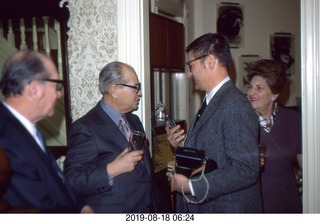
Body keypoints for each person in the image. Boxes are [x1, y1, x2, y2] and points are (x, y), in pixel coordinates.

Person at [165, 33, 262, 213]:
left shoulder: (235, 105)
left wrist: (192, 187)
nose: (188, 74)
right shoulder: (213, 100)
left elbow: (246, 169)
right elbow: (215, 152)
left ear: (210, 61)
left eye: (190, 65)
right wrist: (181, 146)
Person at [63, 61, 163, 213]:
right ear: (115, 90)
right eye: (136, 87)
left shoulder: (134, 121)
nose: (140, 93)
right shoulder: (85, 128)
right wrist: (112, 169)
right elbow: (71, 182)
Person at [0, 50, 92, 213]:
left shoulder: (25, 127)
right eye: (57, 86)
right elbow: (36, 206)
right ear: (34, 89)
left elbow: (57, 181)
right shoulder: (5, 138)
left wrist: (81, 207)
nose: (59, 93)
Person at [246, 59, 302, 213]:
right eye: (250, 87)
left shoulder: (292, 119)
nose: (251, 93)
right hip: (255, 205)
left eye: (259, 88)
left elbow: (307, 166)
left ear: (274, 94)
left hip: (289, 204)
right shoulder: (241, 121)